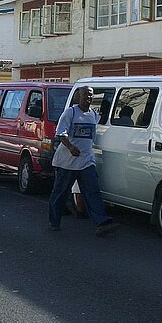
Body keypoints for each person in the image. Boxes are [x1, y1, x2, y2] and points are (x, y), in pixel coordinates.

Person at [48, 86, 120, 237]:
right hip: (68, 162)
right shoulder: (71, 113)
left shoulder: (93, 115)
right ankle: (54, 221)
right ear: (78, 97)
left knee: (92, 191)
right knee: (60, 192)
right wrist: (70, 147)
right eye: (85, 95)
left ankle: (102, 223)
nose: (88, 97)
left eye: (90, 95)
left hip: (86, 161)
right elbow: (60, 133)